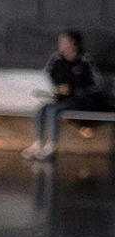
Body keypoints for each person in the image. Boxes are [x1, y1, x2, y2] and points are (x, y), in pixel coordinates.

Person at [24, 30, 108, 161]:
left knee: (53, 110)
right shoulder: (57, 58)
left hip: (80, 100)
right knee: (42, 109)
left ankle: (52, 145)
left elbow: (97, 83)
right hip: (62, 98)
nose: (61, 44)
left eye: (64, 41)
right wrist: (59, 87)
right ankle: (39, 143)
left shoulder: (84, 60)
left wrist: (75, 89)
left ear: (73, 43)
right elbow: (50, 74)